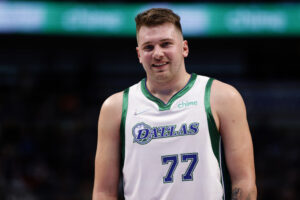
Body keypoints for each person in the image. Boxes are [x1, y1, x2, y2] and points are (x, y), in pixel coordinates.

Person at [93, 8, 257, 200]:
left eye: (166, 44)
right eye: (148, 47)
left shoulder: (222, 97)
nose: (157, 54)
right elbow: (104, 192)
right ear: (138, 54)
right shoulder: (115, 108)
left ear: (184, 48)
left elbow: (244, 183)